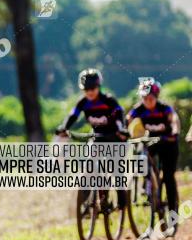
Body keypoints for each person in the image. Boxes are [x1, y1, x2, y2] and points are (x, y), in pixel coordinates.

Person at [56, 68, 128, 206]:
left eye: (92, 88)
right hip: (97, 138)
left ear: (98, 86)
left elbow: (119, 115)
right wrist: (64, 127)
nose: (89, 92)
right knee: (88, 168)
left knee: (115, 169)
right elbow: (73, 115)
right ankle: (84, 206)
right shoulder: (83, 102)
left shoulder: (108, 100)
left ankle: (121, 198)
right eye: (86, 89)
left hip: (115, 138)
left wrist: (121, 130)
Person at [127, 78, 181, 218]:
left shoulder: (164, 109)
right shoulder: (139, 109)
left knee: (168, 176)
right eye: (144, 98)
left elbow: (174, 121)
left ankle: (172, 210)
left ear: (156, 97)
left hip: (168, 142)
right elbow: (128, 120)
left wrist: (174, 131)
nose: (147, 102)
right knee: (142, 158)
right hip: (151, 142)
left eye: (150, 98)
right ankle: (149, 185)